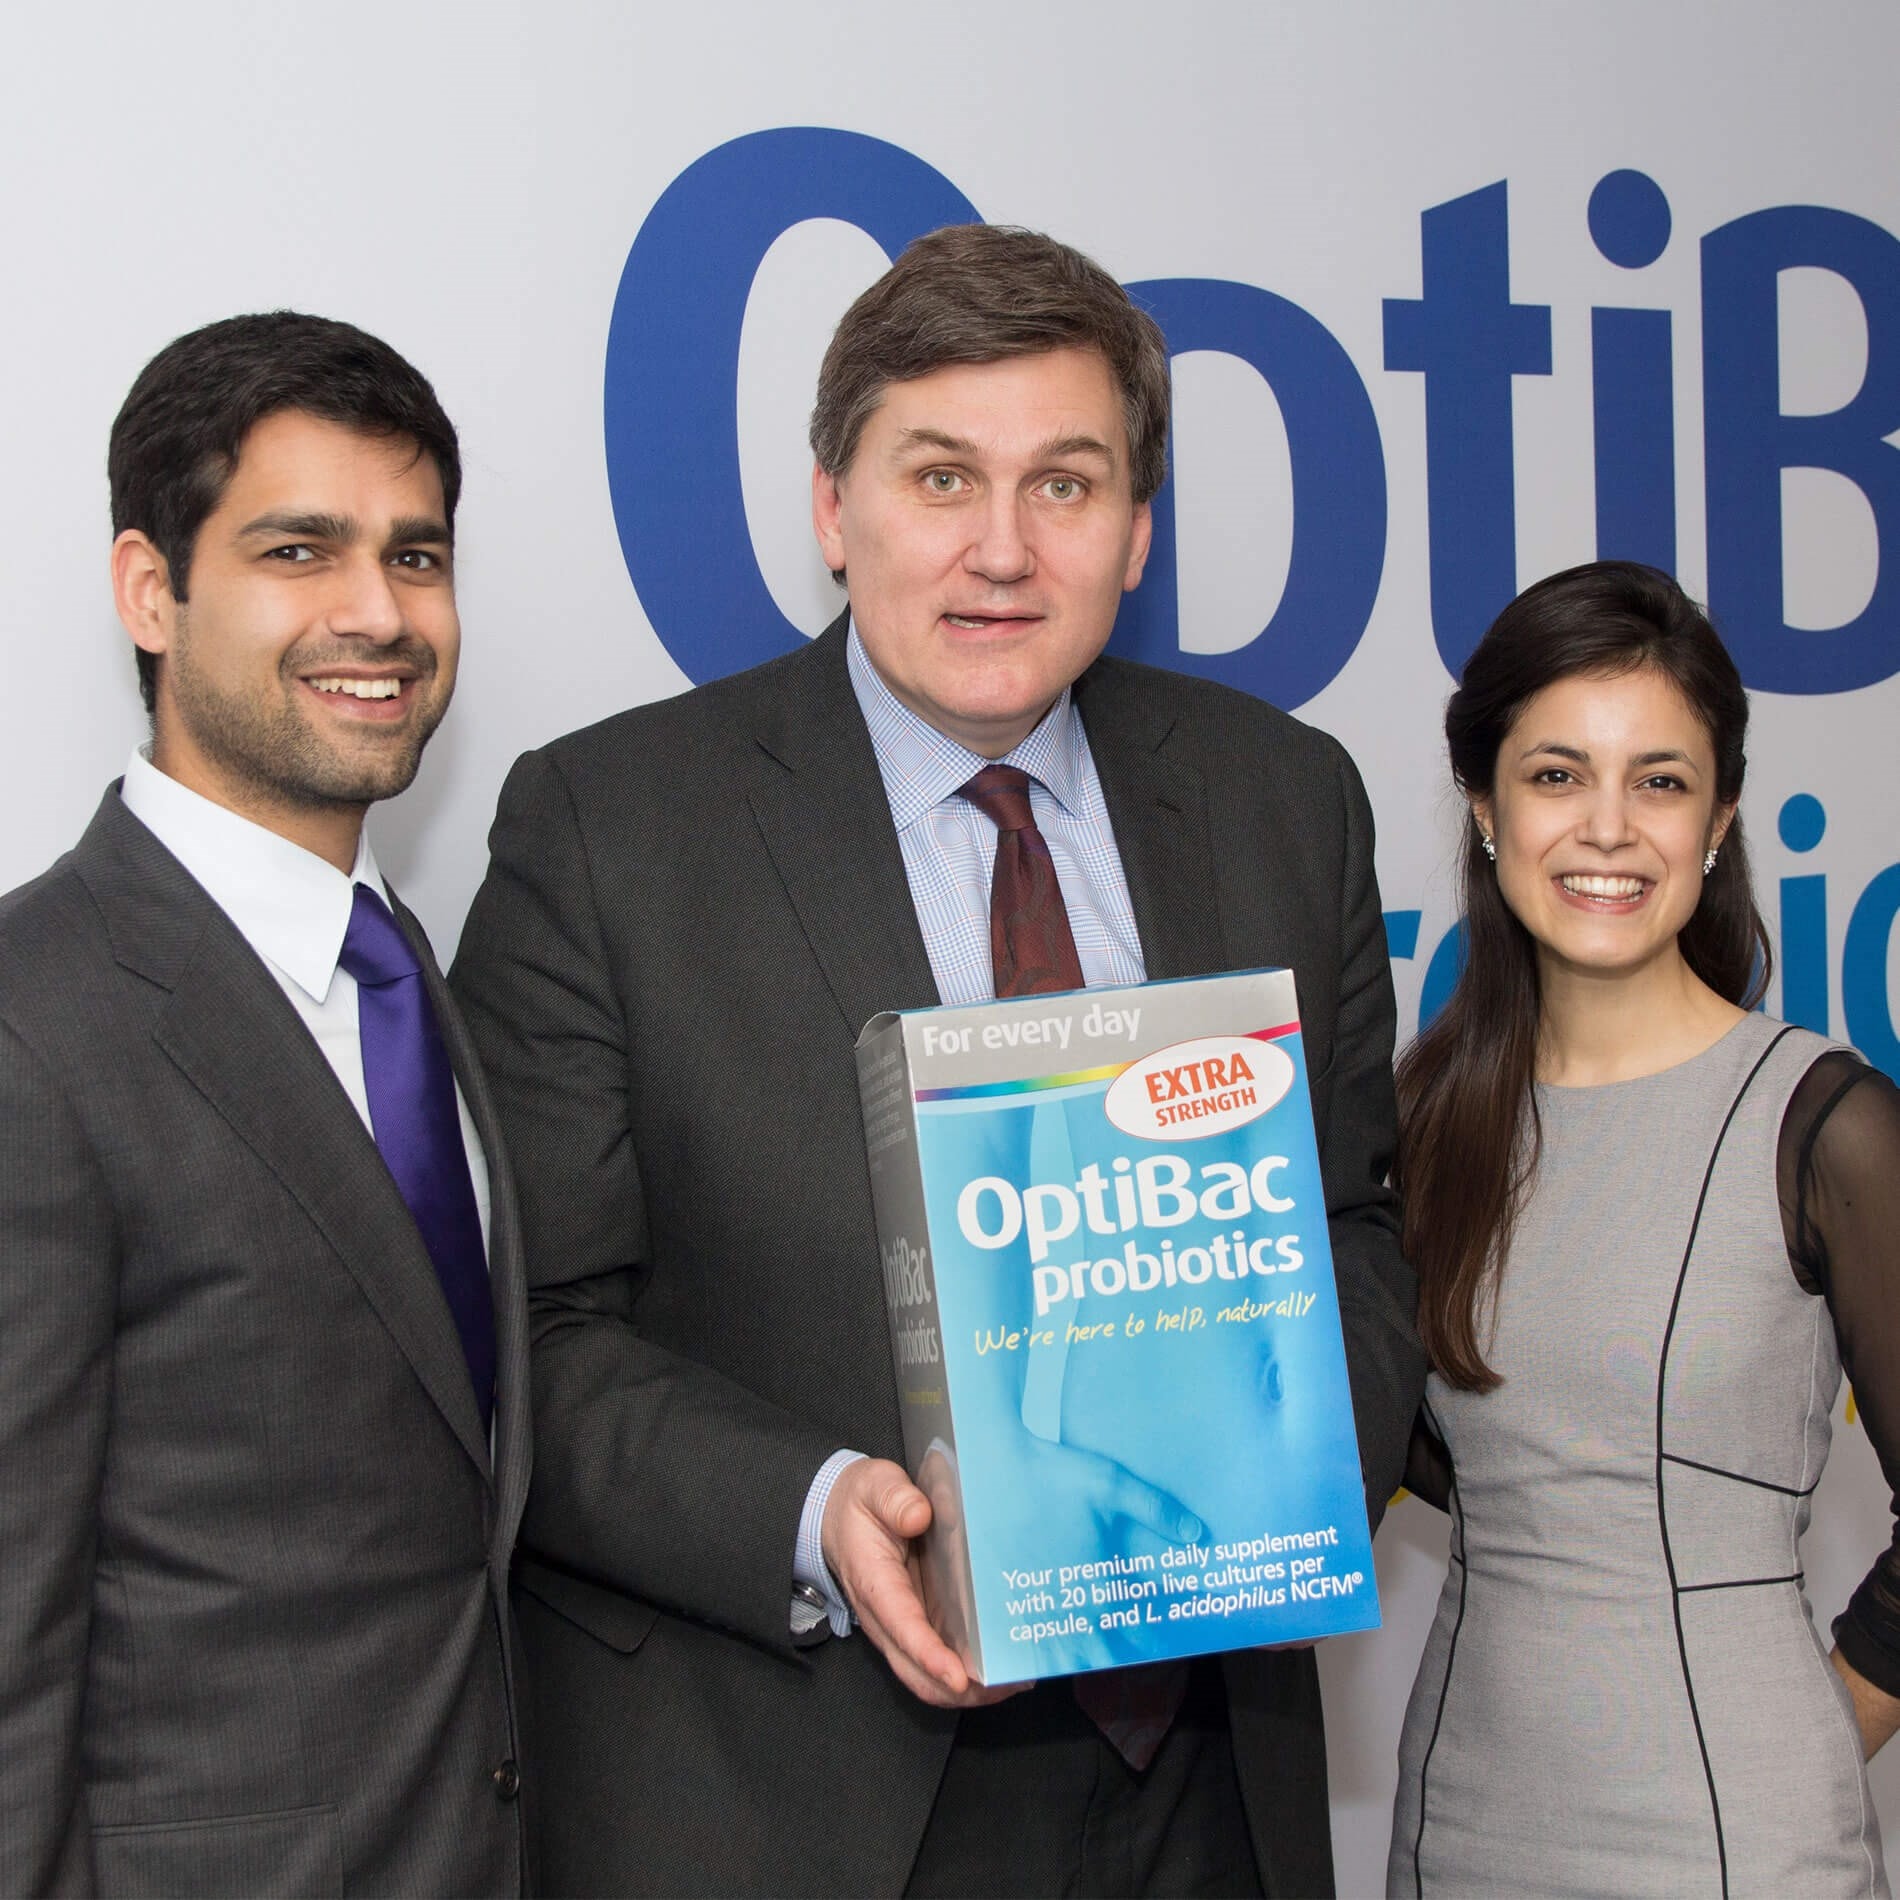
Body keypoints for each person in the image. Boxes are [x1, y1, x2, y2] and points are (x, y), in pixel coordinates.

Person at [452, 223, 1422, 1898]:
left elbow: (1357, 1231)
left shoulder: (1286, 799)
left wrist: (1298, 1468)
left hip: (1211, 1785)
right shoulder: (610, 831)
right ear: (834, 511)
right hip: (803, 1780)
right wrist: (818, 1508)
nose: (1001, 549)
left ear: (1135, 528)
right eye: (940, 477)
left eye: (1064, 483)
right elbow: (525, 1336)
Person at [0, 313, 531, 1896]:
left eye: (416, 556)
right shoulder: (33, 1020)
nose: (378, 613)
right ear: (150, 592)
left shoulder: (409, 974)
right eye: (298, 550)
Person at [1386, 560, 1900, 1897]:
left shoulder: (1824, 1124)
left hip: (1734, 1835)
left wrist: (1816, 1725)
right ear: (1486, 805)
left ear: (1719, 818)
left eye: (1659, 781)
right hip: (1457, 1829)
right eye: (1557, 775)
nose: (1607, 828)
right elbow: (1436, 1457)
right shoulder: (1423, 1119)